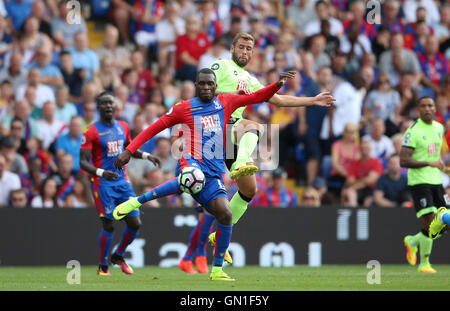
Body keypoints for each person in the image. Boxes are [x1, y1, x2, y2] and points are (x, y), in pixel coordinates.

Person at [112, 68, 295, 281]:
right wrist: (129, 150)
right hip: (191, 161)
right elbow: (153, 128)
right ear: (196, 85)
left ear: (215, 87)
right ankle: (135, 202)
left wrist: (277, 85)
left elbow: (257, 96)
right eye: (202, 84)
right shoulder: (184, 107)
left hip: (214, 172)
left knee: (225, 214)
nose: (206, 87)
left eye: (210, 84)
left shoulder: (225, 102)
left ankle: (217, 270)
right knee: (192, 178)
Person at [207, 32, 334, 252]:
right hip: (216, 124)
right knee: (254, 126)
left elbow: (279, 99)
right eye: (241, 47)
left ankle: (218, 235)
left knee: (249, 190)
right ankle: (240, 163)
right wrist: (229, 96)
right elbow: (205, 87)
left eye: (249, 48)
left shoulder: (250, 80)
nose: (245, 52)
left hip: (231, 134)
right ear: (232, 48)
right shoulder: (222, 66)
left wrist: (312, 100)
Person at [80, 91, 161, 276]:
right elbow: (82, 161)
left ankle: (118, 255)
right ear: (98, 107)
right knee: (108, 225)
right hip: (103, 184)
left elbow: (130, 149)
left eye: (111, 103)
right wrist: (101, 173)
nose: (109, 106)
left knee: (135, 223)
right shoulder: (91, 131)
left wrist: (148, 156)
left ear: (115, 106)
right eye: (104, 103)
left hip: (123, 183)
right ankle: (103, 267)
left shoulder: (122, 126)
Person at [400, 96, 449, 273]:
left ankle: (412, 241)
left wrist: (441, 165)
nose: (427, 108)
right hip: (419, 181)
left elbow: (436, 153)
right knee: (429, 220)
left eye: (430, 105)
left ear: (435, 108)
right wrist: (428, 163)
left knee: (445, 224)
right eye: (423, 106)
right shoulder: (412, 131)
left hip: (436, 180)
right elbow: (403, 161)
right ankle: (424, 263)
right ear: (418, 110)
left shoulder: (439, 128)